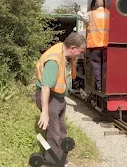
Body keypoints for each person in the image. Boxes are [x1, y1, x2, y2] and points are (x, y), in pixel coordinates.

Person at [35, 32, 86, 165]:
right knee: (53, 133)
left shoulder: (66, 54)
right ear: (72, 48)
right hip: (49, 98)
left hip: (59, 98)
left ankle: (62, 160)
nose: (81, 55)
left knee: (61, 130)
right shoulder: (54, 61)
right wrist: (45, 112)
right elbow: (46, 87)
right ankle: (53, 162)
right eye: (81, 52)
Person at [74, 0, 109, 91]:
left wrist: (78, 11)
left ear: (96, 5)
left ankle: (99, 86)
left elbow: (82, 17)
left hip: (95, 43)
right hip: (107, 45)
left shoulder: (92, 14)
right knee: (106, 66)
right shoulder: (109, 14)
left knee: (96, 65)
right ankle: (107, 85)